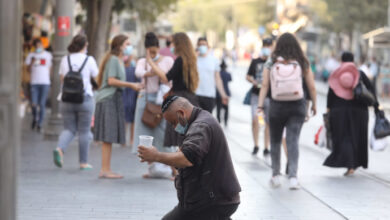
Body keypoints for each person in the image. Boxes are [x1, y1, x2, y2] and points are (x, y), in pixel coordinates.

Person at [137, 96, 241, 219]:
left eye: (173, 122)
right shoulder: (196, 121)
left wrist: (156, 156)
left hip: (212, 201)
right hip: (203, 199)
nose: (174, 127)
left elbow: (188, 158)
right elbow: (187, 156)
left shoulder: (201, 125)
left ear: (181, 113)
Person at [257, 33, 317, 190]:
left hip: (277, 105)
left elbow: (264, 85)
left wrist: (260, 105)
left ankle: (275, 175)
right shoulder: (302, 60)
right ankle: (293, 177)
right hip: (297, 105)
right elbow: (311, 86)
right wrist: (314, 104)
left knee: (275, 141)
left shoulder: (272, 61)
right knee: (292, 141)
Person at [94, 34, 143, 179]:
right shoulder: (114, 60)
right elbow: (111, 80)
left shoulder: (118, 60)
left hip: (113, 99)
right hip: (108, 99)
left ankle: (106, 169)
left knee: (108, 136)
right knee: (107, 136)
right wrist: (131, 85)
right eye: (127, 44)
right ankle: (104, 169)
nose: (129, 47)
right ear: (120, 45)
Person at [323, 52, 378, 176]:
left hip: (339, 111)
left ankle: (349, 164)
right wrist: (376, 107)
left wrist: (328, 109)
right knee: (356, 137)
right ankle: (353, 164)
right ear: (353, 60)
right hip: (359, 111)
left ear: (341, 60)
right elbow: (371, 91)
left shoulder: (336, 74)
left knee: (343, 137)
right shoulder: (360, 74)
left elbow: (330, 94)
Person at [53, 34, 98, 170]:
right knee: (84, 131)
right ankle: (83, 163)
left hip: (66, 99)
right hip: (84, 98)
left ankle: (60, 149)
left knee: (69, 129)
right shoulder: (89, 60)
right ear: (84, 46)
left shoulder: (65, 59)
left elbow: (62, 79)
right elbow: (96, 76)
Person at [133, 32, 174, 178]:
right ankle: (151, 169)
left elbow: (166, 76)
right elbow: (138, 73)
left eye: (154, 50)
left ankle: (175, 170)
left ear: (158, 47)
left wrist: (151, 66)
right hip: (146, 101)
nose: (152, 53)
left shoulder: (167, 60)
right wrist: (150, 65)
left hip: (162, 100)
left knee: (164, 135)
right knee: (146, 136)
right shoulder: (142, 61)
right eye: (149, 51)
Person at [151, 32, 199, 148]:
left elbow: (166, 77)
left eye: (172, 43)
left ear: (178, 44)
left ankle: (178, 165)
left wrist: (151, 64)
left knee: (177, 138)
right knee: (185, 137)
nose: (170, 46)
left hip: (179, 102)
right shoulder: (191, 60)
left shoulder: (179, 60)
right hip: (190, 100)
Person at [246, 38, 273, 156]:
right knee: (255, 120)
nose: (267, 48)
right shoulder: (255, 61)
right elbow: (248, 76)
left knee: (268, 123)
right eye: (265, 46)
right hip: (256, 95)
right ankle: (256, 145)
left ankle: (266, 147)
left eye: (269, 46)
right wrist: (254, 81)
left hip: (270, 96)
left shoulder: (274, 63)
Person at [25, 38, 53, 131]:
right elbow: (27, 70)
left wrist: (50, 78)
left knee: (42, 104)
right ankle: (35, 118)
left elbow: (50, 68)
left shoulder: (48, 55)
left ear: (42, 45)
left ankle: (40, 123)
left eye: (39, 45)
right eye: (36, 46)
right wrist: (32, 62)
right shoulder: (31, 55)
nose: (38, 47)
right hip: (34, 83)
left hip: (45, 83)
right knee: (33, 104)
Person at [195, 37, 228, 113]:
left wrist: (223, 94)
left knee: (206, 121)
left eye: (204, 44)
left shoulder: (214, 60)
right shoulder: (194, 60)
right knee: (195, 121)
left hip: (209, 96)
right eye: (200, 45)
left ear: (208, 46)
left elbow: (217, 78)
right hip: (195, 95)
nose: (201, 46)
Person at [122, 55, 139, 147]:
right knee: (132, 120)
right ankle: (131, 140)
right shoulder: (134, 69)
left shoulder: (122, 69)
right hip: (132, 96)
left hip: (124, 96)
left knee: (124, 119)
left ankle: (123, 140)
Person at [216, 60, 232, 126]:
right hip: (226, 93)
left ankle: (219, 121)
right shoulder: (228, 74)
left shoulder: (218, 73)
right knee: (226, 108)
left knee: (218, 108)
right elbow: (230, 79)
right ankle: (225, 121)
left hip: (218, 93)